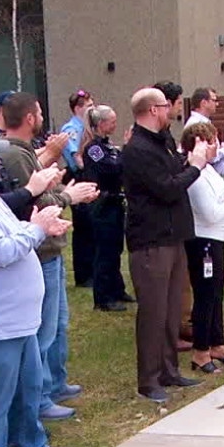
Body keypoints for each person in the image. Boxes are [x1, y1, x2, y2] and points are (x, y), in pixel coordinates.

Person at [0, 93, 99, 419]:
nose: (42, 117)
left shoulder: (24, 152)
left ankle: (55, 381)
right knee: (41, 330)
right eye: (39, 112)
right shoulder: (14, 154)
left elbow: (45, 190)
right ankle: (39, 398)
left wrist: (58, 189)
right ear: (29, 118)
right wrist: (69, 194)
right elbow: (36, 200)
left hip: (48, 249)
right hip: (38, 251)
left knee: (58, 324)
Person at [0, 140, 75, 447]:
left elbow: (15, 235)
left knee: (28, 386)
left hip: (20, 318)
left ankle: (28, 445)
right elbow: (1, 250)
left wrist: (40, 227)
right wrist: (36, 228)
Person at [121, 87, 205, 403]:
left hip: (173, 235)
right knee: (154, 312)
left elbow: (174, 174)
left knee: (172, 310)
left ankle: (169, 369)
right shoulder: (138, 150)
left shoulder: (164, 142)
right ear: (153, 109)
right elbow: (167, 189)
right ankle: (149, 379)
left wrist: (191, 163)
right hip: (151, 241)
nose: (170, 110)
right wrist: (195, 167)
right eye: (166, 106)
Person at [183, 122, 224, 374]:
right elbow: (211, 213)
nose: (217, 146)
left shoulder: (210, 171)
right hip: (203, 241)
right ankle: (200, 350)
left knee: (217, 295)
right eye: (212, 142)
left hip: (217, 239)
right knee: (205, 296)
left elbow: (221, 200)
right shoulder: (196, 176)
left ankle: (217, 343)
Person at [81, 104, 135, 312]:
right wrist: (126, 149)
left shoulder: (107, 146)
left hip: (114, 202)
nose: (115, 124)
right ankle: (103, 297)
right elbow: (112, 168)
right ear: (101, 124)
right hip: (102, 204)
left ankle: (116, 289)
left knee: (115, 248)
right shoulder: (94, 148)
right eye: (111, 121)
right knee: (105, 251)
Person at [62, 89, 96, 287]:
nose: (92, 109)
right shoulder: (71, 128)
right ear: (78, 108)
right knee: (83, 226)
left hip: (88, 174)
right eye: (88, 106)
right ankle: (83, 274)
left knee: (91, 226)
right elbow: (76, 156)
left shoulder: (86, 127)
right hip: (78, 175)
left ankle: (91, 269)